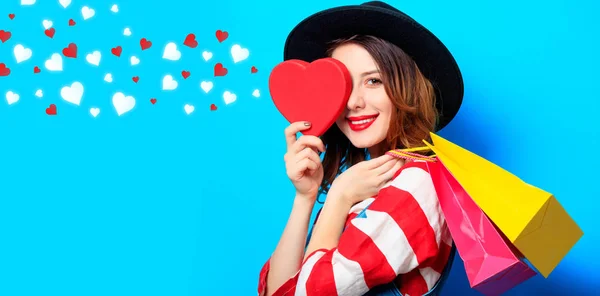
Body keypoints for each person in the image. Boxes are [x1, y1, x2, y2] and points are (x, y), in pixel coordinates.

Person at [258, 1, 464, 295]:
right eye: (342, 84)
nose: (353, 102)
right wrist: (305, 198)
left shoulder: (418, 183)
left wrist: (338, 197)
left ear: (407, 88)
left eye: (374, 81)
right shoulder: (362, 185)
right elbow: (277, 291)